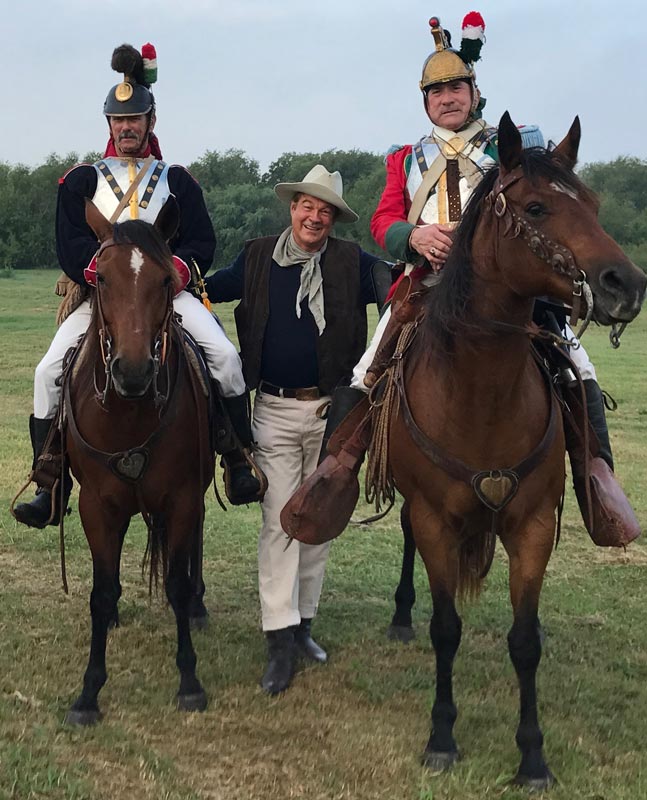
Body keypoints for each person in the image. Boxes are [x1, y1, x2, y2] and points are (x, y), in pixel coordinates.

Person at [320, 12, 629, 545]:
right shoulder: (404, 158)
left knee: (579, 365)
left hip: (509, 287)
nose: (447, 97)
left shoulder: (515, 145)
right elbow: (382, 220)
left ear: (473, 91)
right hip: (429, 284)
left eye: (456, 86)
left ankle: (595, 477)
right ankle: (336, 473)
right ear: (425, 102)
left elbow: (547, 202)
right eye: (436, 91)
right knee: (367, 368)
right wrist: (412, 238)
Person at [13, 43, 262, 529]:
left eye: (136, 118)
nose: (127, 127)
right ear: (108, 124)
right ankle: (51, 480)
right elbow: (69, 244)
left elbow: (200, 241)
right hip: (101, 297)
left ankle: (236, 459)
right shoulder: (81, 181)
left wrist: (177, 275)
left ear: (151, 121)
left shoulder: (178, 181)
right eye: (118, 120)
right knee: (47, 373)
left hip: (167, 295)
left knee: (226, 360)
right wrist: (103, 279)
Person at [205, 165, 381, 694]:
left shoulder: (353, 261)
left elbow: (403, 287)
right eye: (308, 206)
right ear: (293, 208)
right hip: (274, 412)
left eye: (326, 211)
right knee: (282, 521)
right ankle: (279, 640)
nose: (315, 217)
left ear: (333, 220)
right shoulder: (258, 255)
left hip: (334, 415)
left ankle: (304, 625)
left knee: (319, 521)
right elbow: (206, 289)